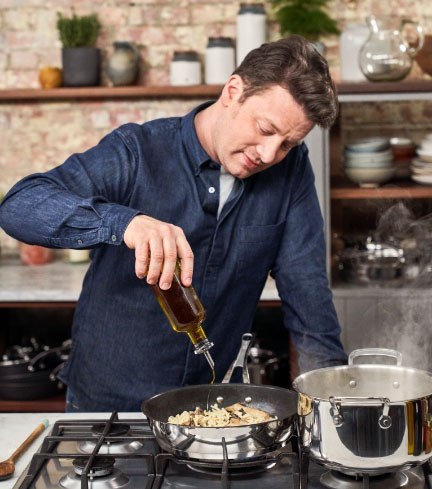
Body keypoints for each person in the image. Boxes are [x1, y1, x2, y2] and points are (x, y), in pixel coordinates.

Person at [0, 35, 347, 412]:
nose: (268, 154)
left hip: (208, 408)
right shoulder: (138, 151)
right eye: (265, 129)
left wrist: (332, 408)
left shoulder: (290, 171)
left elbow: (308, 297)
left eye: (287, 144)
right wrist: (125, 223)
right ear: (233, 91)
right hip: (108, 406)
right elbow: (20, 205)